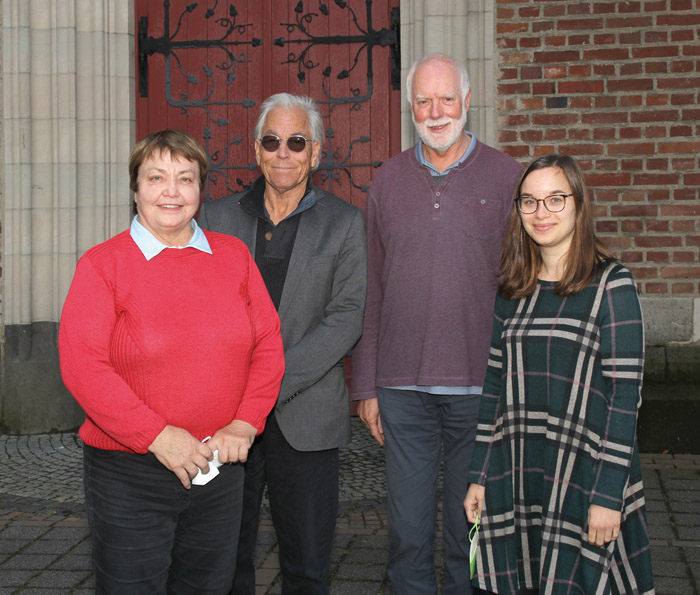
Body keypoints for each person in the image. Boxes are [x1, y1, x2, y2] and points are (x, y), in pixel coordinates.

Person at [59, 129, 285, 594]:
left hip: (217, 470)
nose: (171, 191)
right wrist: (156, 436)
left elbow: (267, 344)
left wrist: (245, 423)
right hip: (130, 474)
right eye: (156, 177)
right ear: (135, 188)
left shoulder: (234, 257)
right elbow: (84, 366)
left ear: (201, 189)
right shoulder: (103, 265)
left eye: (185, 178)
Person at [350, 54, 523, 594]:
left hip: (482, 385)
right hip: (402, 388)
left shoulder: (509, 178)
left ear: (467, 101)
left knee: (469, 528)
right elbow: (372, 287)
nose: (436, 111)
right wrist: (366, 385)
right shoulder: (386, 182)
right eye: (423, 101)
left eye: (446, 98)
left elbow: (523, 288)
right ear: (410, 107)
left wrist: (515, 381)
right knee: (406, 531)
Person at [198, 93, 367, 595]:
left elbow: (346, 319)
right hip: (224, 419)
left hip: (306, 414)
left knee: (308, 566)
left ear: (315, 153)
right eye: (272, 141)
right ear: (256, 149)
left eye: (297, 142)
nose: (283, 153)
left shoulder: (345, 222)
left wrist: (266, 386)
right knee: (224, 561)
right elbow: (198, 310)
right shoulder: (215, 219)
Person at [464, 154, 655, 594]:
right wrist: (479, 474)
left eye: (555, 198)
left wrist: (609, 496)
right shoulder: (513, 288)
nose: (541, 212)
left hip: (584, 472)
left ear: (578, 204)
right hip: (518, 467)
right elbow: (494, 387)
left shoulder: (611, 285)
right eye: (529, 201)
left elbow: (625, 399)